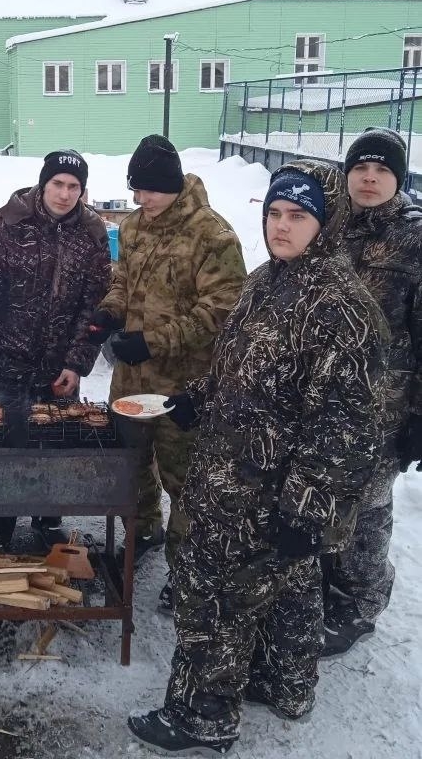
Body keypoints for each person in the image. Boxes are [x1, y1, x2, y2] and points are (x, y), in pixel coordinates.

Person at [128, 160, 387, 756]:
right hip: (234, 470)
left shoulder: (342, 309)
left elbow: (345, 427)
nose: (281, 226)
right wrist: (194, 400)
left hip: (272, 488)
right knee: (289, 588)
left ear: (325, 224)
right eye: (273, 213)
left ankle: (202, 716)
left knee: (211, 596)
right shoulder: (267, 282)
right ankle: (286, 683)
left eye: (297, 216)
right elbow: (236, 368)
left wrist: (306, 509)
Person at [89, 135, 246, 601]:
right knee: (132, 463)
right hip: (132, 377)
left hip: (184, 382)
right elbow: (122, 279)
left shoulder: (213, 236)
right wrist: (109, 310)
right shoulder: (135, 226)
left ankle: (188, 569)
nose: (141, 200)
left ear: (173, 184)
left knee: (186, 478)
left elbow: (222, 309)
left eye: (150, 190)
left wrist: (154, 342)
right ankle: (143, 532)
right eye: (136, 190)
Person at [0, 149, 110, 549]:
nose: (65, 194)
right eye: (58, 184)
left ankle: (47, 522)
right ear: (43, 182)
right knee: (0, 448)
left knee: (53, 446)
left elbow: (95, 303)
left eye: (74, 187)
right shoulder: (6, 225)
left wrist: (77, 362)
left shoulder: (92, 233)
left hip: (58, 368)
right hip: (7, 364)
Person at [321, 129, 422, 656]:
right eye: (360, 167)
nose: (368, 177)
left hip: (384, 406)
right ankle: (328, 584)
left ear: (397, 179)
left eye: (381, 170)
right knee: (327, 496)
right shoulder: (334, 229)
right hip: (324, 399)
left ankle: (359, 604)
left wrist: (419, 419)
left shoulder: (416, 238)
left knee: (367, 508)